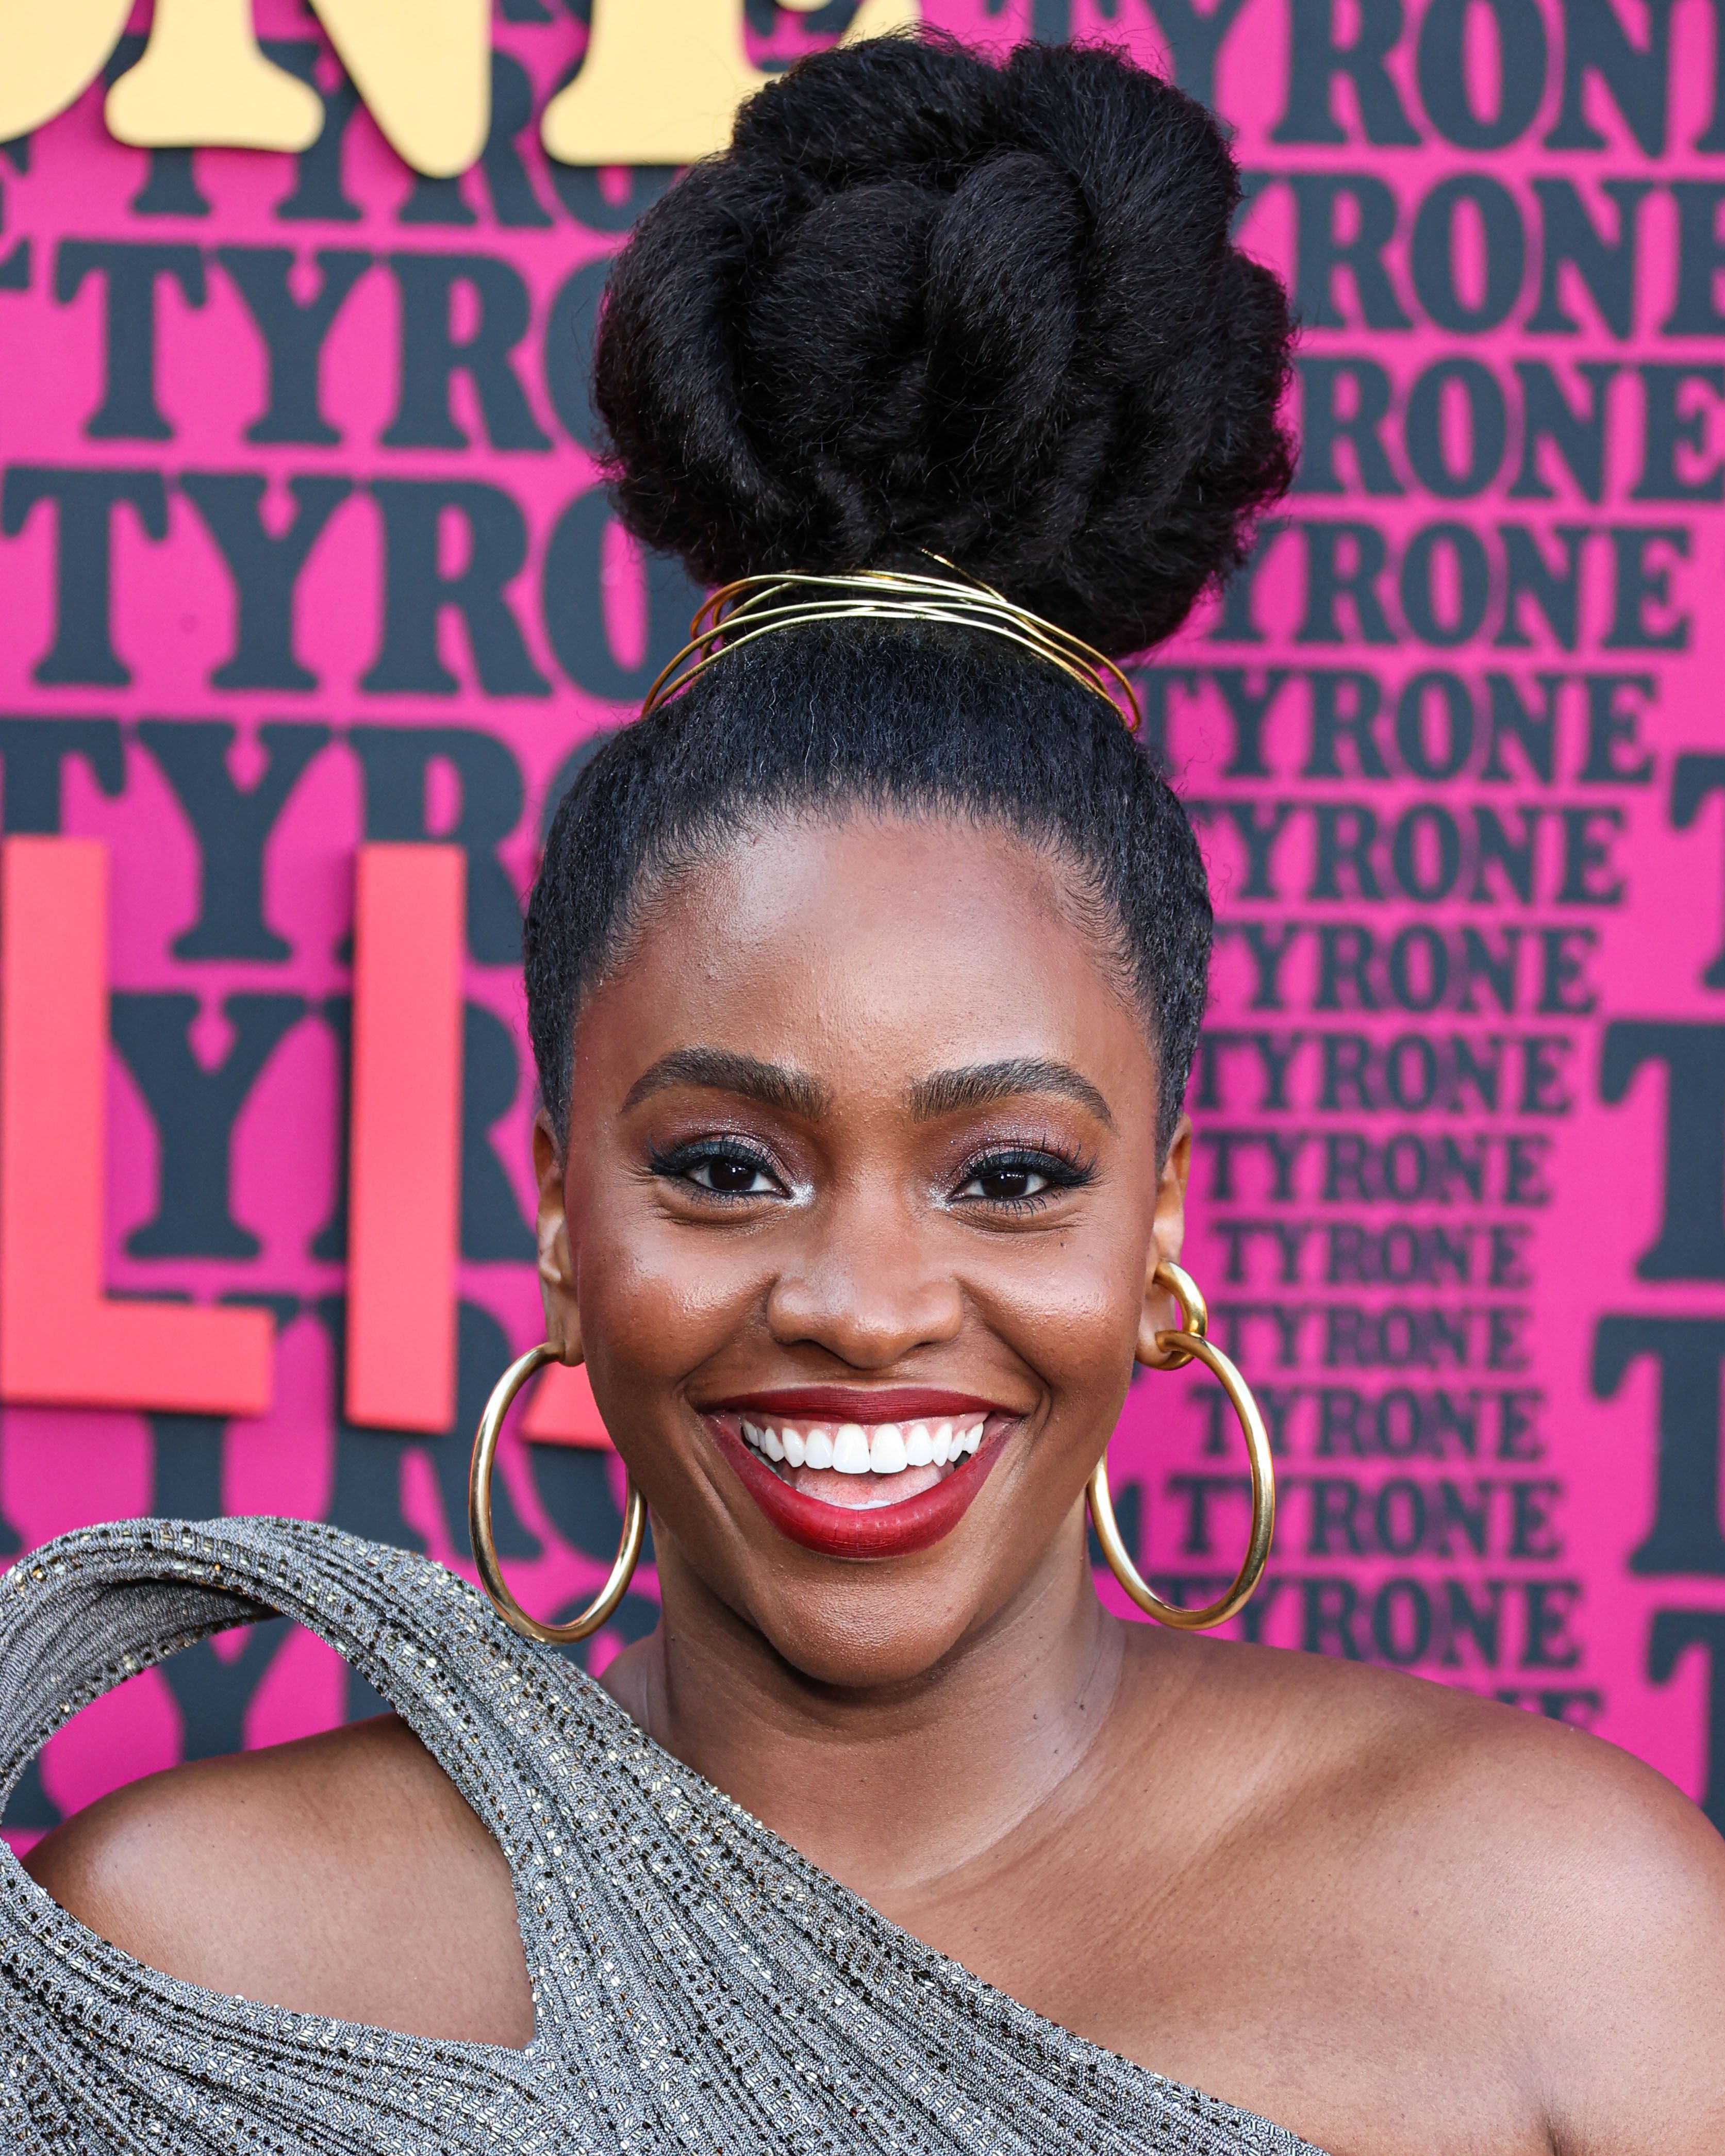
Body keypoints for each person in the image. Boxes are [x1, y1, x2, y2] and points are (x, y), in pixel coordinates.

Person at [3, 30, 1722, 2156]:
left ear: (1163, 1218)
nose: (867, 1293)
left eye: (1008, 1171)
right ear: (557, 1205)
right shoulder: (201, 1957)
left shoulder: (1581, 1945)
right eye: (726, 1162)